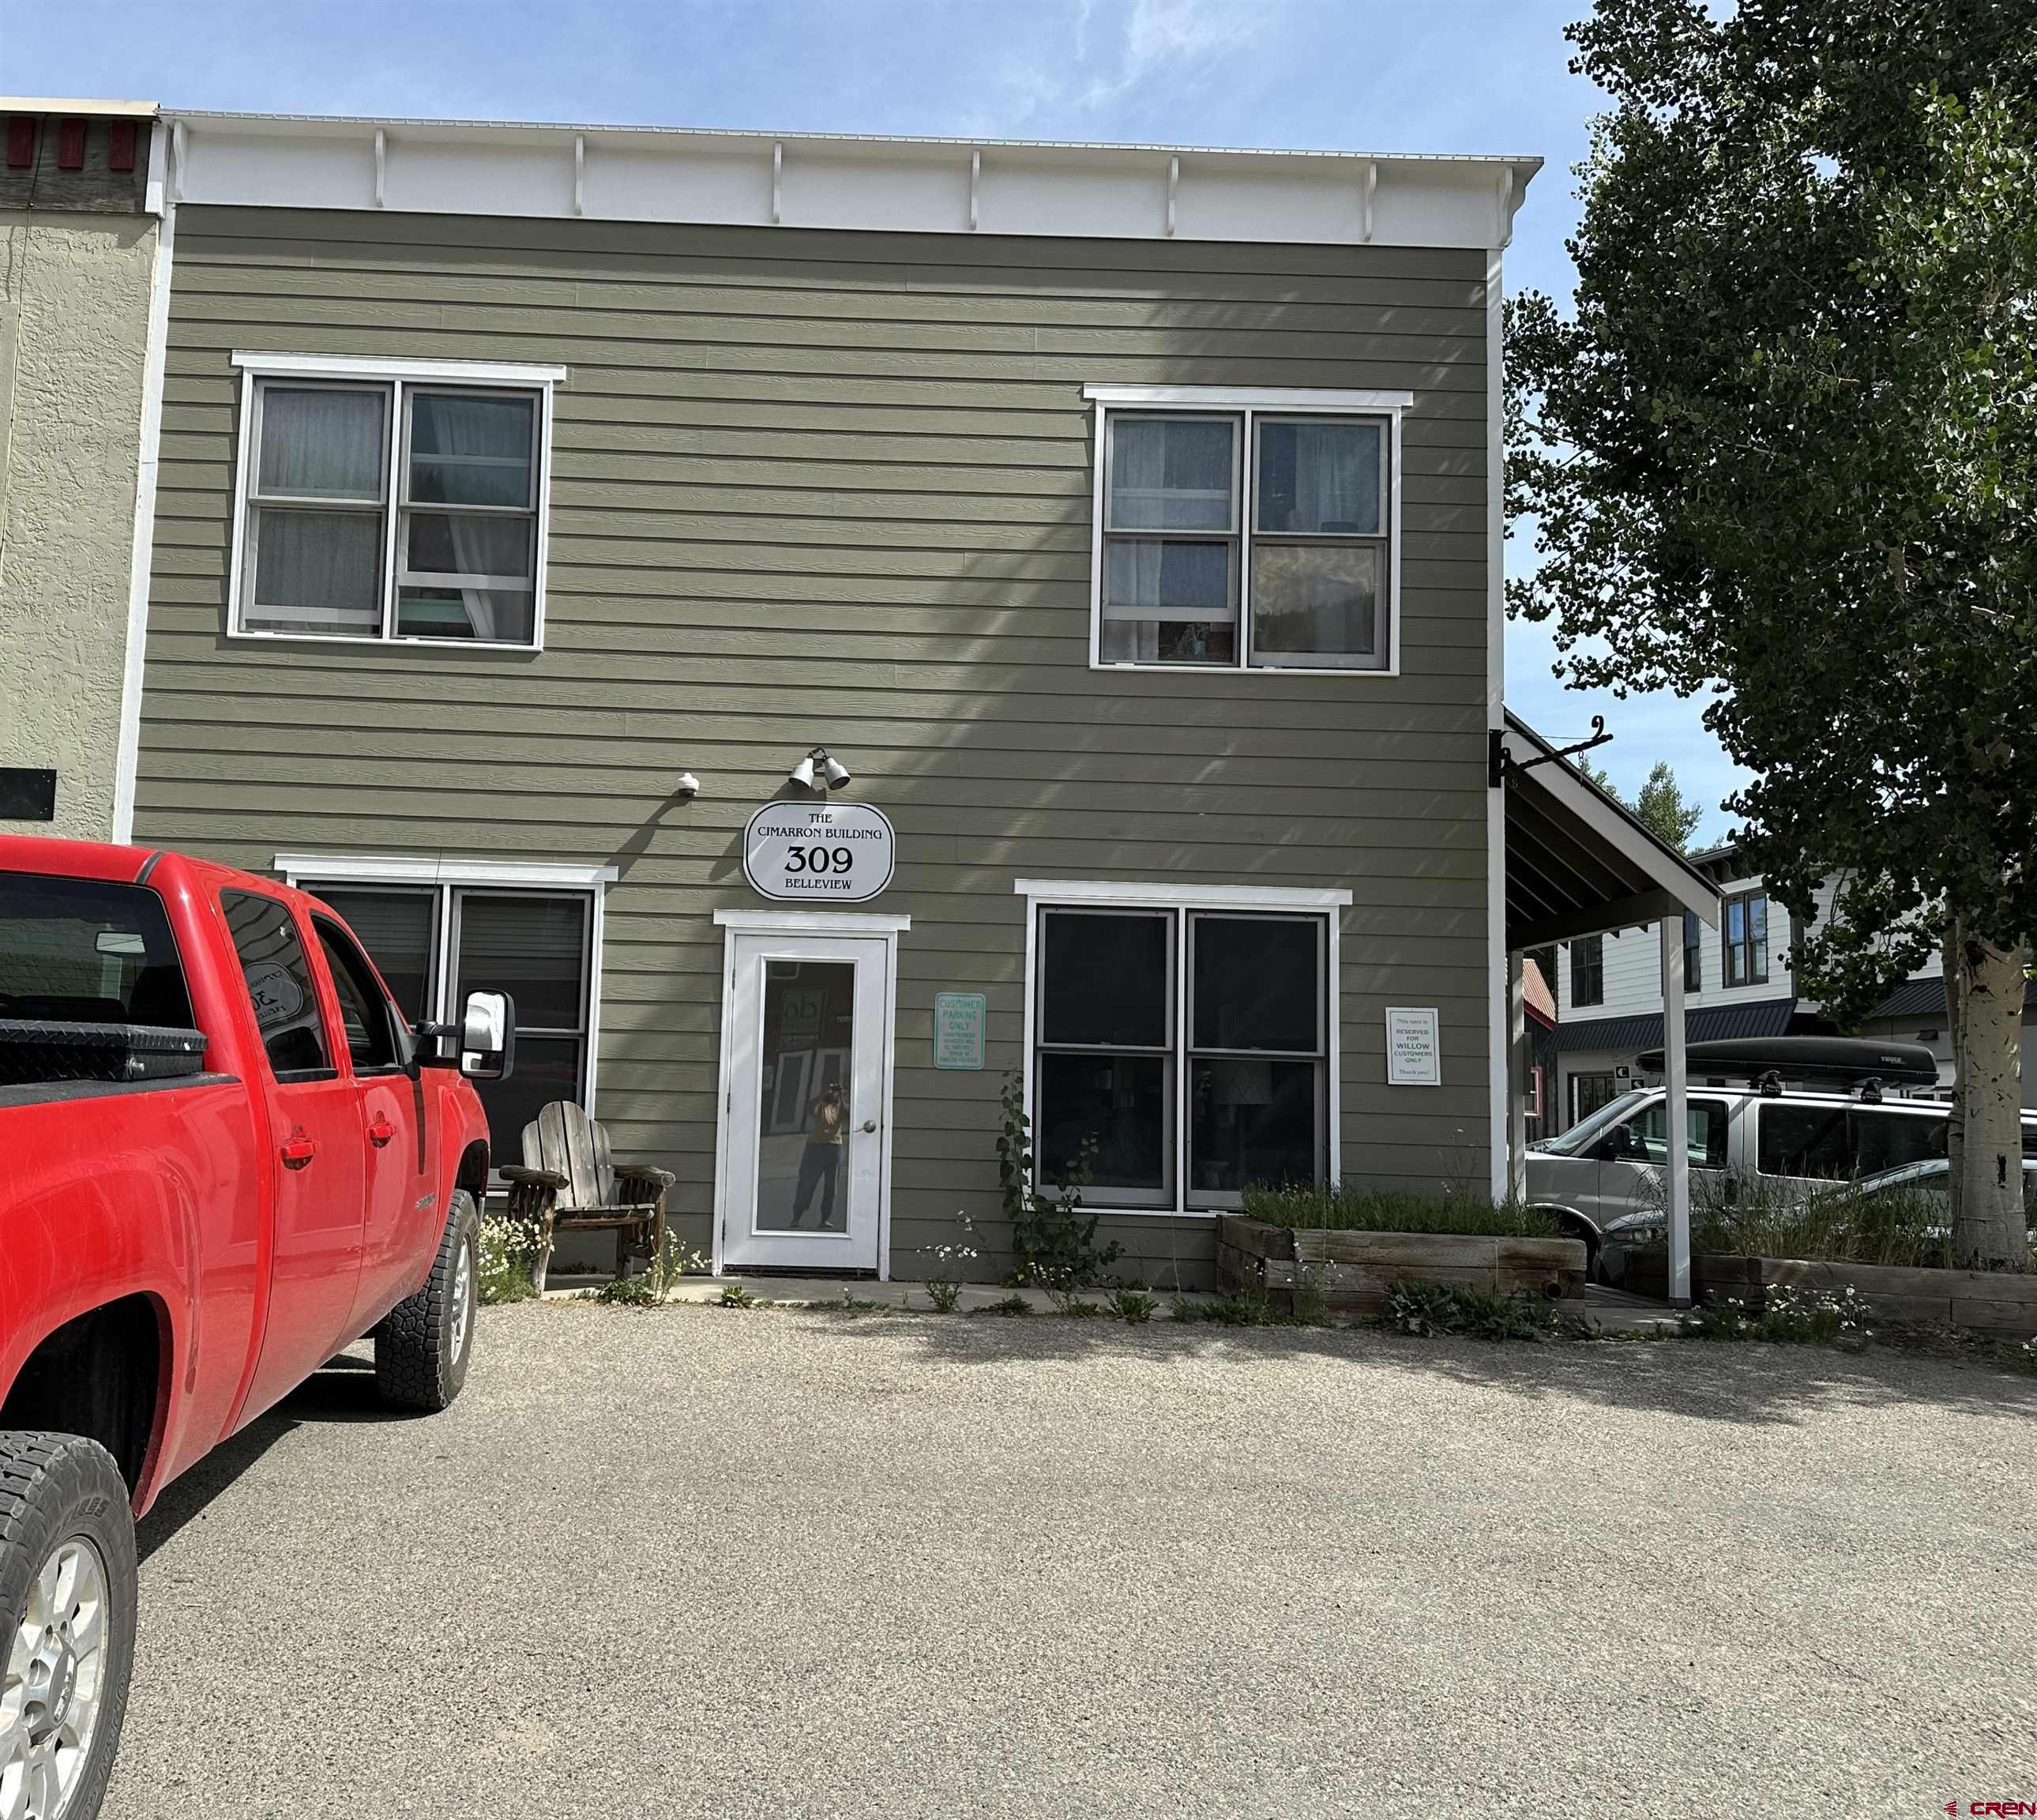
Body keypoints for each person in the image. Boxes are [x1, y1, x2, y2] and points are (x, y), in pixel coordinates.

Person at [791, 1078, 847, 1229]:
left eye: (835, 1091)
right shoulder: (819, 1104)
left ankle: (825, 1219)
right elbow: (812, 1110)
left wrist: (842, 1096)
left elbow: (847, 1115)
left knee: (831, 1187)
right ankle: (796, 1217)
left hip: (834, 1148)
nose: (833, 1093)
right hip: (815, 1147)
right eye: (832, 1091)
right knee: (807, 1183)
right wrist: (823, 1093)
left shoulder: (840, 1106)